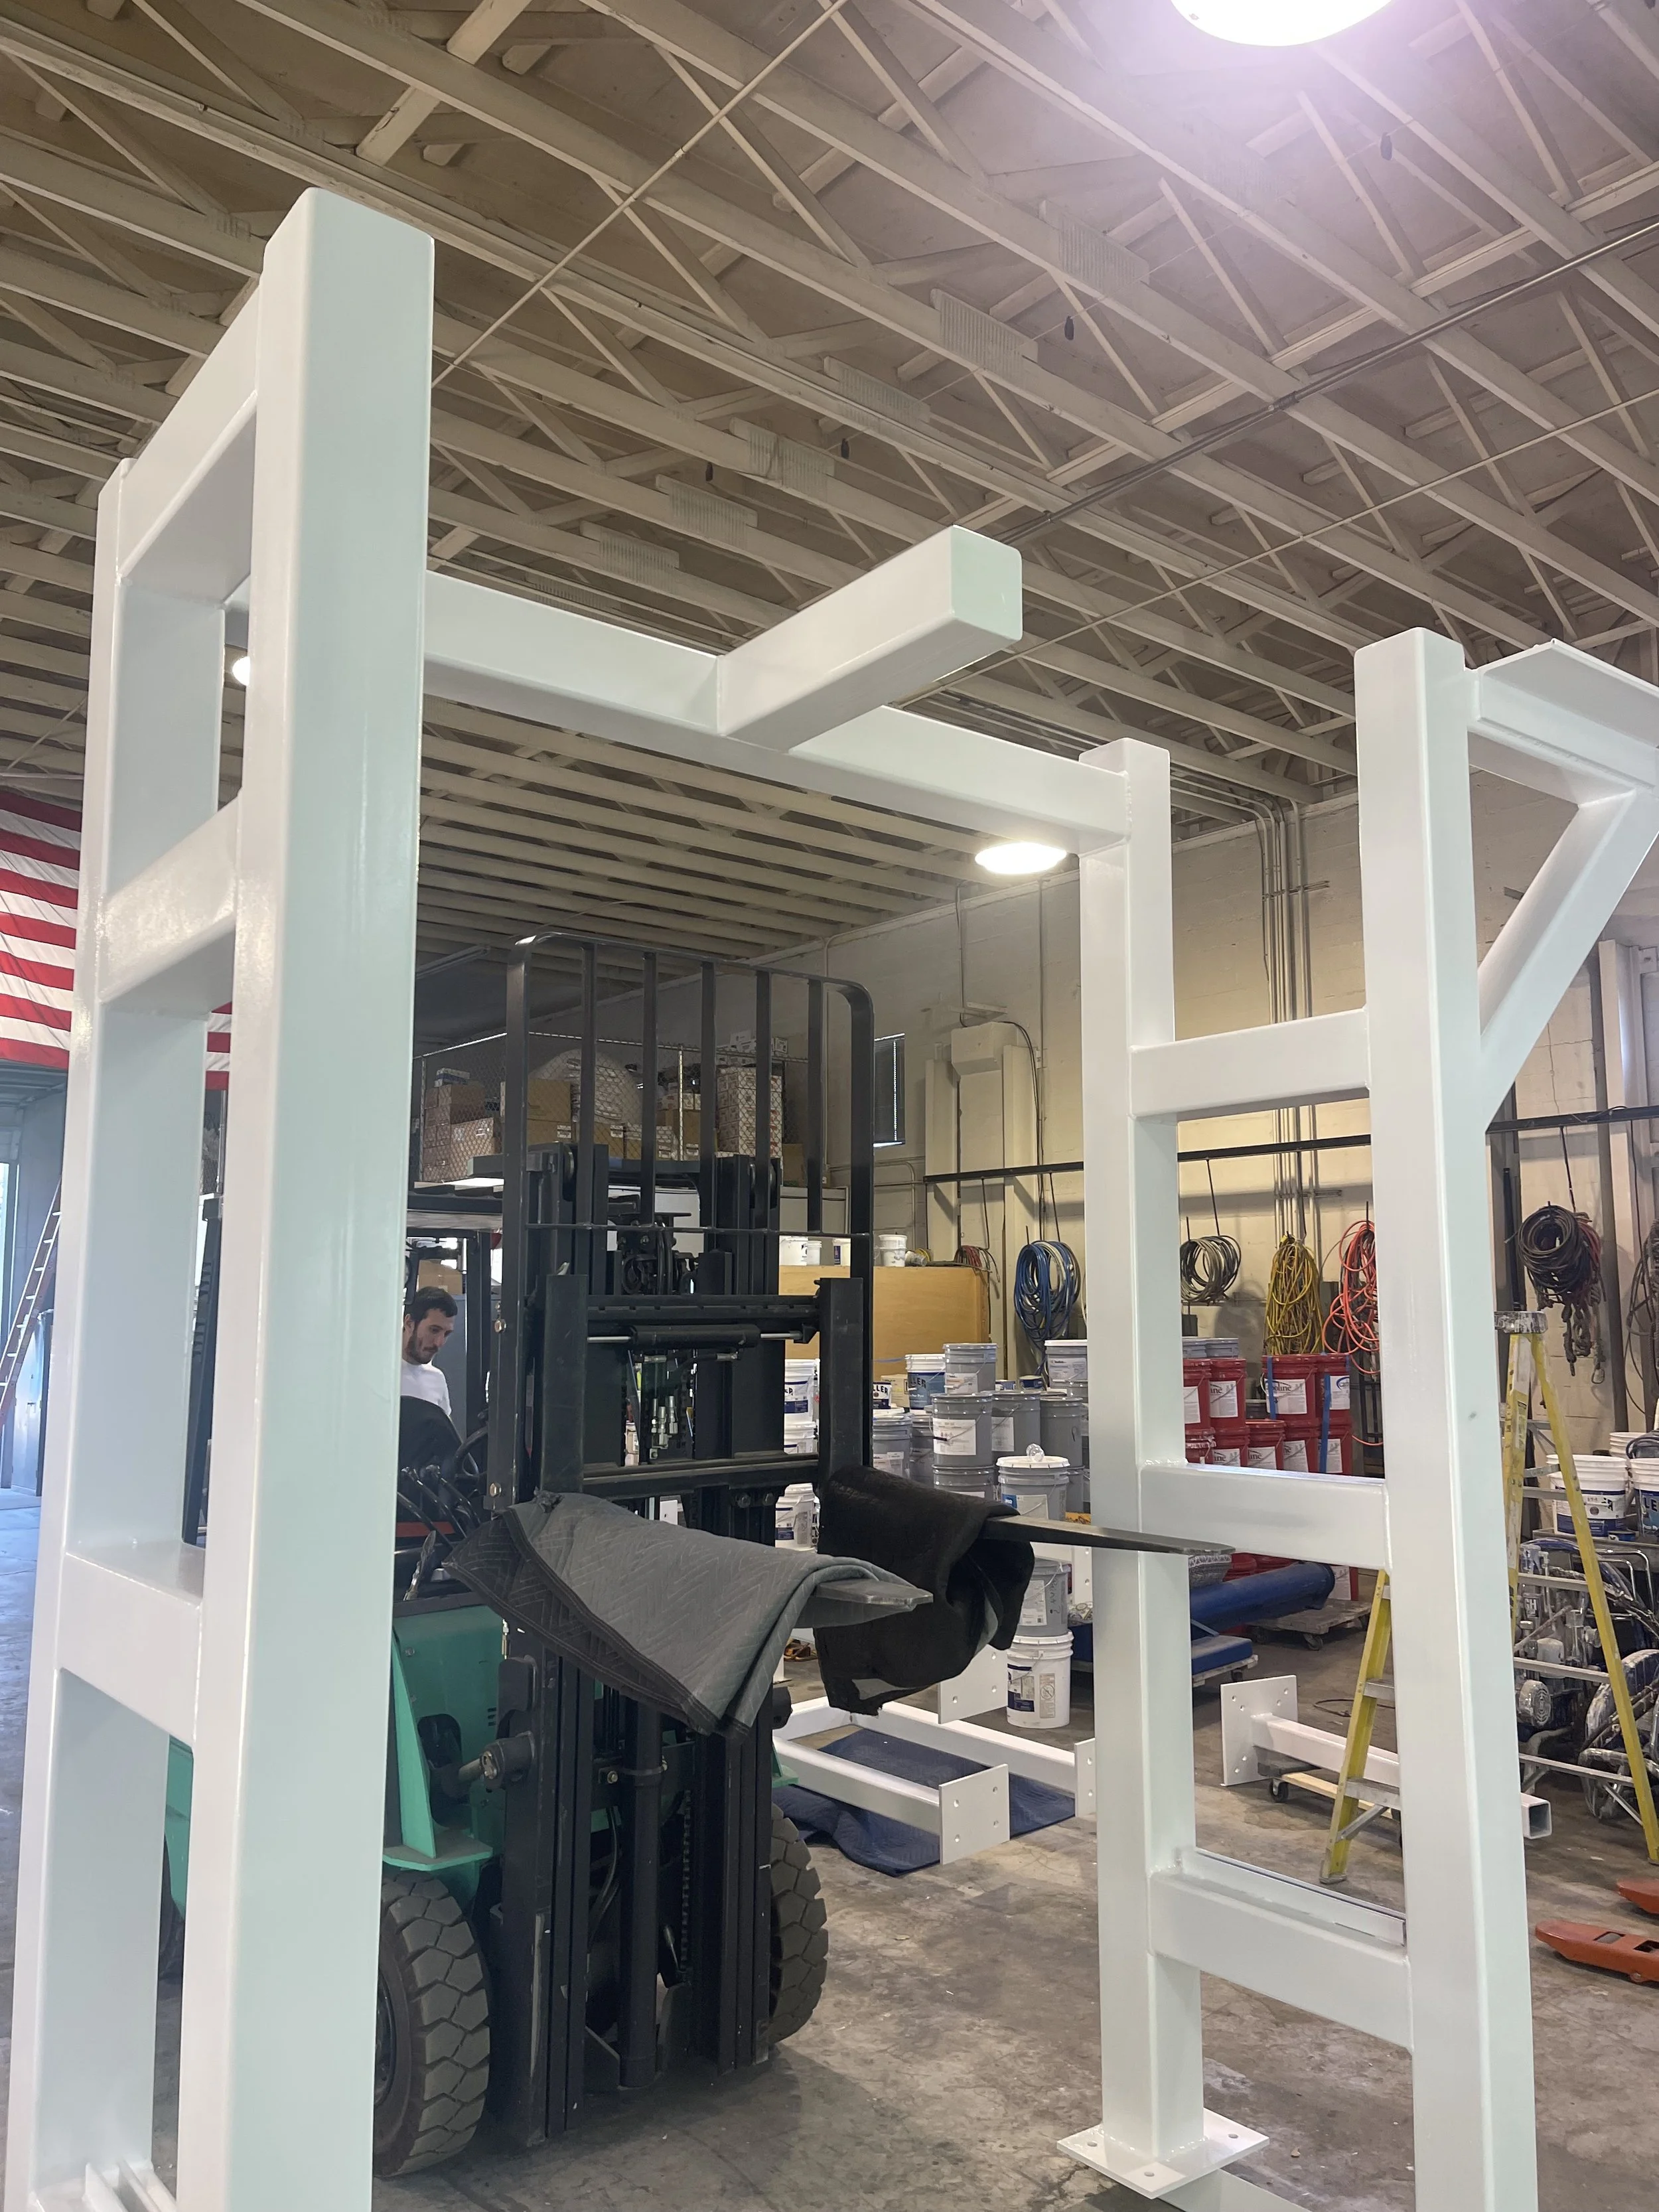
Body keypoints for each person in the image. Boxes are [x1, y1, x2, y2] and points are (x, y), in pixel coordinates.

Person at [401, 1286, 457, 1418]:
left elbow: (442, 1436)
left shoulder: (437, 1379)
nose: (439, 1343)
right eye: (434, 1330)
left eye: (447, 1334)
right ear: (409, 1324)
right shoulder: (378, 1375)